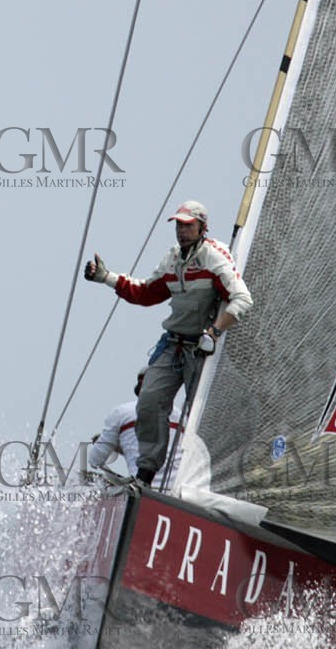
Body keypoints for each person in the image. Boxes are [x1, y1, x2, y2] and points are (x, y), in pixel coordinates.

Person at [82, 199, 251, 486]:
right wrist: (106, 277)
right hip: (172, 344)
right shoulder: (173, 259)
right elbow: (147, 293)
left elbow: (242, 299)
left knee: (207, 414)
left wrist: (214, 332)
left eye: (188, 226)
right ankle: (146, 474)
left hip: (202, 349)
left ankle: (221, 481)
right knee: (148, 402)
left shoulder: (215, 258)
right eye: (179, 226)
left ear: (202, 228)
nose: (182, 231)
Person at [86, 371, 144, 478]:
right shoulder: (179, 415)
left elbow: (95, 460)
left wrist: (113, 445)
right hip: (179, 491)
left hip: (143, 490)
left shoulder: (122, 412)